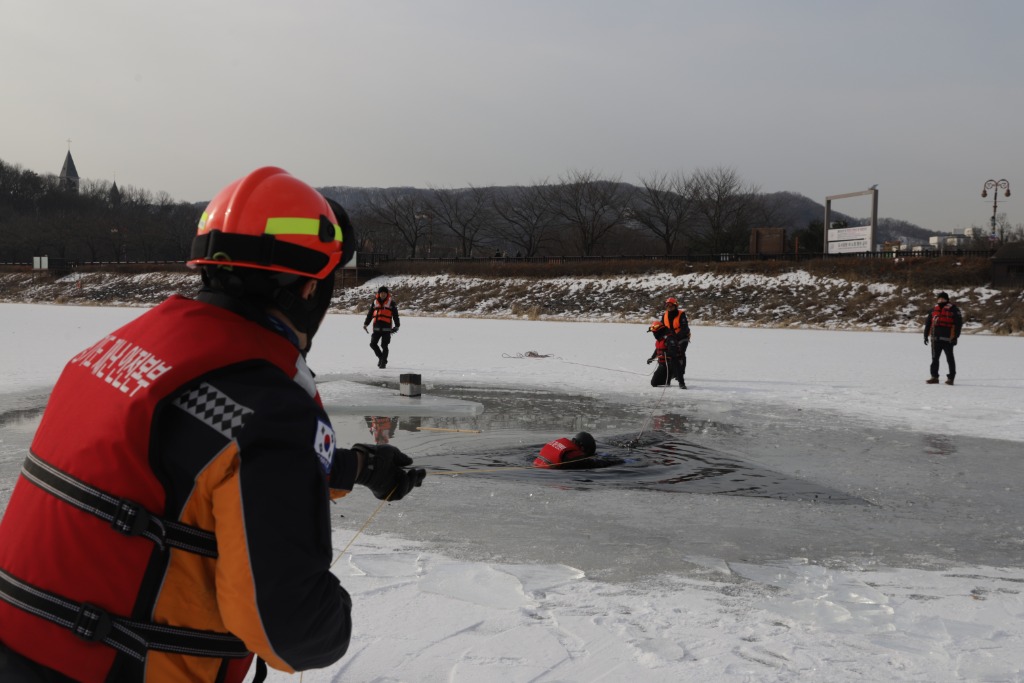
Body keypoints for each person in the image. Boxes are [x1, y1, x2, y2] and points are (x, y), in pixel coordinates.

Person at [0, 167, 426, 683]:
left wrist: (358, 467)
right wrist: (333, 617)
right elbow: (292, 631)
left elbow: (196, 457)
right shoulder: (266, 404)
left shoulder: (121, 350)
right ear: (313, 288)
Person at [924, 291, 963, 385]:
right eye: (939, 298)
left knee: (950, 359)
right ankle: (934, 377)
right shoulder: (934, 310)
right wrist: (925, 335)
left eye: (943, 298)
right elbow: (928, 323)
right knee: (934, 359)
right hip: (935, 339)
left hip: (948, 340)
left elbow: (958, 324)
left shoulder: (954, 309)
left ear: (947, 300)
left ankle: (951, 378)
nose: (941, 300)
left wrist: (955, 337)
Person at [363, 286, 400, 368]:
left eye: (385, 293)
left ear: (387, 294)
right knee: (372, 344)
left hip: (387, 329)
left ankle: (383, 363)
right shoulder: (375, 302)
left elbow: (395, 315)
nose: (383, 294)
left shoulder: (391, 303)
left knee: (384, 346)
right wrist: (366, 324)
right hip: (376, 328)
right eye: (381, 293)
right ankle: (381, 358)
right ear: (379, 294)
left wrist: (397, 325)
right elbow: (370, 314)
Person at [661, 297, 692, 389]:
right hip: (671, 338)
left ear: (675, 306)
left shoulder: (681, 314)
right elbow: (662, 328)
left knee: (681, 353)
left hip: (682, 337)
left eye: (671, 305)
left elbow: (684, 328)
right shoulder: (664, 315)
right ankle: (670, 374)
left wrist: (676, 337)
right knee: (670, 355)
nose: (669, 307)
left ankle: (681, 372)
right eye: (667, 305)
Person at [533, 431, 597, 469]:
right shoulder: (573, 454)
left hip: (536, 465)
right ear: (582, 447)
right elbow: (592, 464)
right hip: (548, 471)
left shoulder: (560, 444)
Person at [646, 320, 676, 387]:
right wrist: (652, 358)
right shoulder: (659, 340)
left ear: (659, 330)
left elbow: (673, 352)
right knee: (654, 383)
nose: (653, 334)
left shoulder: (669, 338)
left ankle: (673, 374)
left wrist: (664, 354)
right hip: (662, 364)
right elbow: (657, 350)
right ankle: (667, 377)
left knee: (655, 383)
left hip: (670, 364)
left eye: (654, 332)